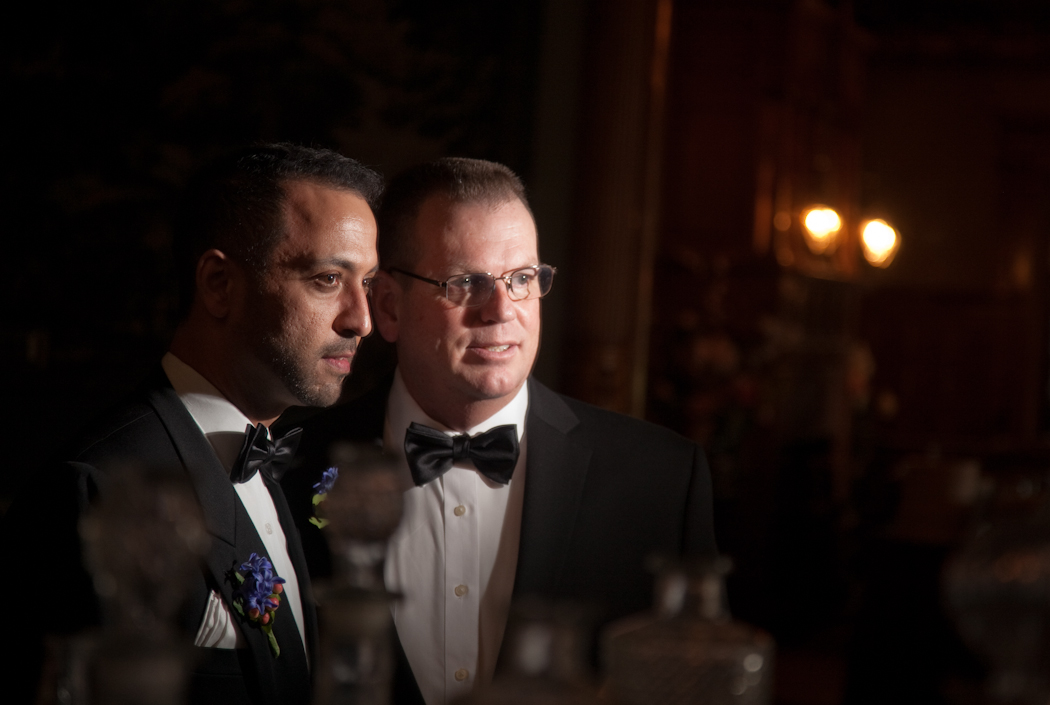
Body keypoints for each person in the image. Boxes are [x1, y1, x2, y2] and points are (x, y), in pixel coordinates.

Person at [284, 157, 717, 705]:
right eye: (466, 284)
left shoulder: (661, 480)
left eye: (522, 279)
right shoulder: (288, 468)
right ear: (389, 306)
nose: (502, 311)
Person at [1, 143, 382, 705]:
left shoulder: (283, 465)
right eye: (327, 279)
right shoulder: (98, 488)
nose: (362, 319)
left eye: (367, 283)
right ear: (219, 285)